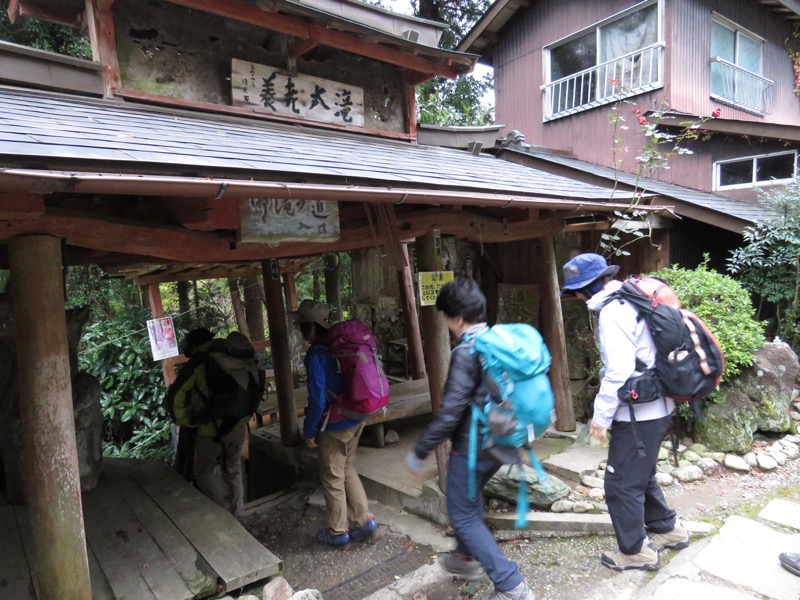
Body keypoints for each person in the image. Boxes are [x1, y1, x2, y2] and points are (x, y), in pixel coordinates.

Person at [405, 278, 537, 600]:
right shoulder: (499, 339)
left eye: (448, 318)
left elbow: (450, 413)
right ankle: (467, 556)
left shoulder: (467, 351)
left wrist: (420, 450)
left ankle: (511, 585)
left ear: (458, 319)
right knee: (470, 496)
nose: (449, 325)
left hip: (475, 445)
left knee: (462, 513)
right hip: (504, 440)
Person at [561, 253, 689, 571]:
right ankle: (667, 530)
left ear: (590, 286)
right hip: (659, 405)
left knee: (620, 484)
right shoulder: (631, 301)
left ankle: (634, 551)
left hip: (637, 414)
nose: (576, 296)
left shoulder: (612, 311)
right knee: (641, 477)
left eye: (577, 290)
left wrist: (600, 418)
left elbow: (619, 370)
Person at [290, 299, 380, 547]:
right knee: (346, 466)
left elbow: (317, 398)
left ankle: (338, 532)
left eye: (301, 326)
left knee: (331, 475)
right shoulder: (340, 346)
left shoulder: (317, 354)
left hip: (336, 423)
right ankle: (366, 522)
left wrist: (310, 431)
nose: (299, 331)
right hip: (357, 415)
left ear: (310, 328)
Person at [170, 327, 250, 516]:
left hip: (211, 428)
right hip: (239, 423)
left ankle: (222, 511)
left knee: (203, 471)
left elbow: (175, 395)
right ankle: (238, 511)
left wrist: (183, 419)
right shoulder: (231, 355)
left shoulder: (198, 363)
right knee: (233, 468)